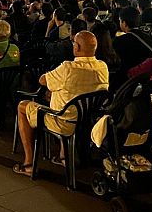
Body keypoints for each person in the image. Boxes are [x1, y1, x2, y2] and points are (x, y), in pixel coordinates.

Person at [13, 31, 109, 176]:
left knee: (22, 106)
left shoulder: (68, 68)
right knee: (63, 98)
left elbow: (42, 80)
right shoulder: (102, 67)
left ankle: (28, 163)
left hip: (63, 122)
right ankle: (63, 156)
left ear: (77, 47)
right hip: (87, 120)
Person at [113, 6, 152, 73]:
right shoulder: (146, 36)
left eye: (120, 20)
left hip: (133, 77)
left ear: (124, 23)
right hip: (149, 74)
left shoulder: (120, 41)